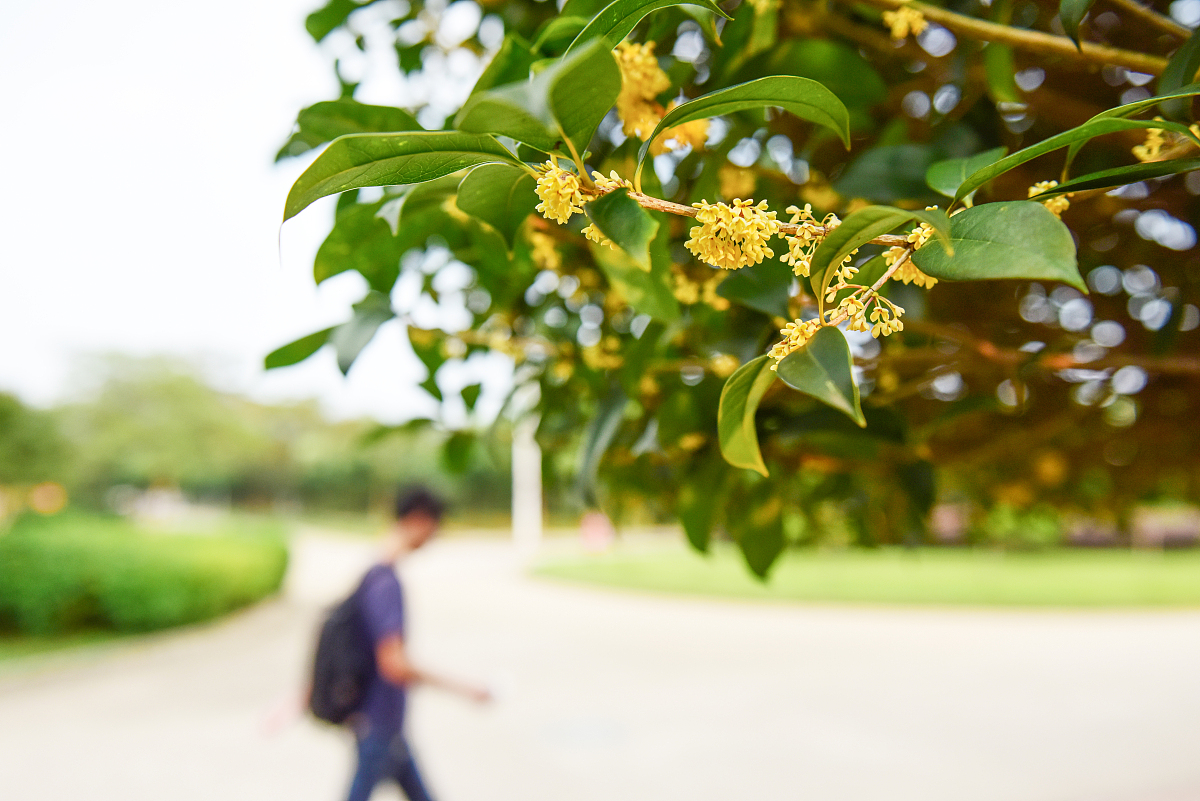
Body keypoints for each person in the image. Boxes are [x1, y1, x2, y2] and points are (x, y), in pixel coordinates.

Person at [346, 486, 491, 801]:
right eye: (435, 527)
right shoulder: (386, 583)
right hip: (379, 721)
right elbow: (394, 663)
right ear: (418, 520)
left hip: (380, 722)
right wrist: (464, 687)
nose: (435, 537)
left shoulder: (373, 575)